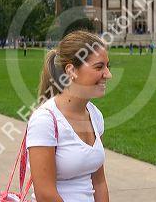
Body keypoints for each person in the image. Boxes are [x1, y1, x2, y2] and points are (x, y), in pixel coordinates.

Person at [27, 30, 111, 202]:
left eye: (107, 66)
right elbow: (45, 194)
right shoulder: (45, 120)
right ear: (71, 70)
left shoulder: (95, 115)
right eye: (99, 67)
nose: (108, 74)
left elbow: (99, 182)